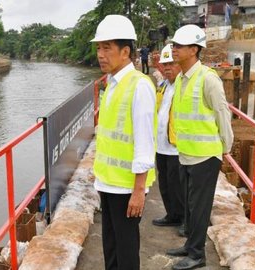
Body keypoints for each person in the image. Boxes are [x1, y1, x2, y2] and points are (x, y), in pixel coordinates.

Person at [91, 14, 157, 270]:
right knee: (110, 244)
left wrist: (139, 191)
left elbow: (144, 143)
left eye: (107, 47)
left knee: (126, 248)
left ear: (125, 51)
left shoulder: (139, 86)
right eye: (98, 47)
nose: (100, 54)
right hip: (108, 182)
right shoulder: (112, 83)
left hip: (126, 187)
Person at [165, 24, 233, 270]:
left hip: (205, 156)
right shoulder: (182, 78)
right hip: (185, 154)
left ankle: (197, 255)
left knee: (199, 207)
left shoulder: (207, 78)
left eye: (179, 46)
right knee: (189, 206)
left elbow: (221, 112)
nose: (174, 49)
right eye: (174, 45)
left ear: (194, 49)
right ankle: (190, 245)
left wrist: (226, 145)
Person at [151, 44, 184, 230]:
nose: (167, 68)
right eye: (165, 64)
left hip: (176, 146)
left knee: (178, 186)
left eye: (172, 63)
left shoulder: (183, 86)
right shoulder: (163, 86)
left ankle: (183, 219)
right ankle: (171, 214)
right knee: (164, 183)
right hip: (161, 145)